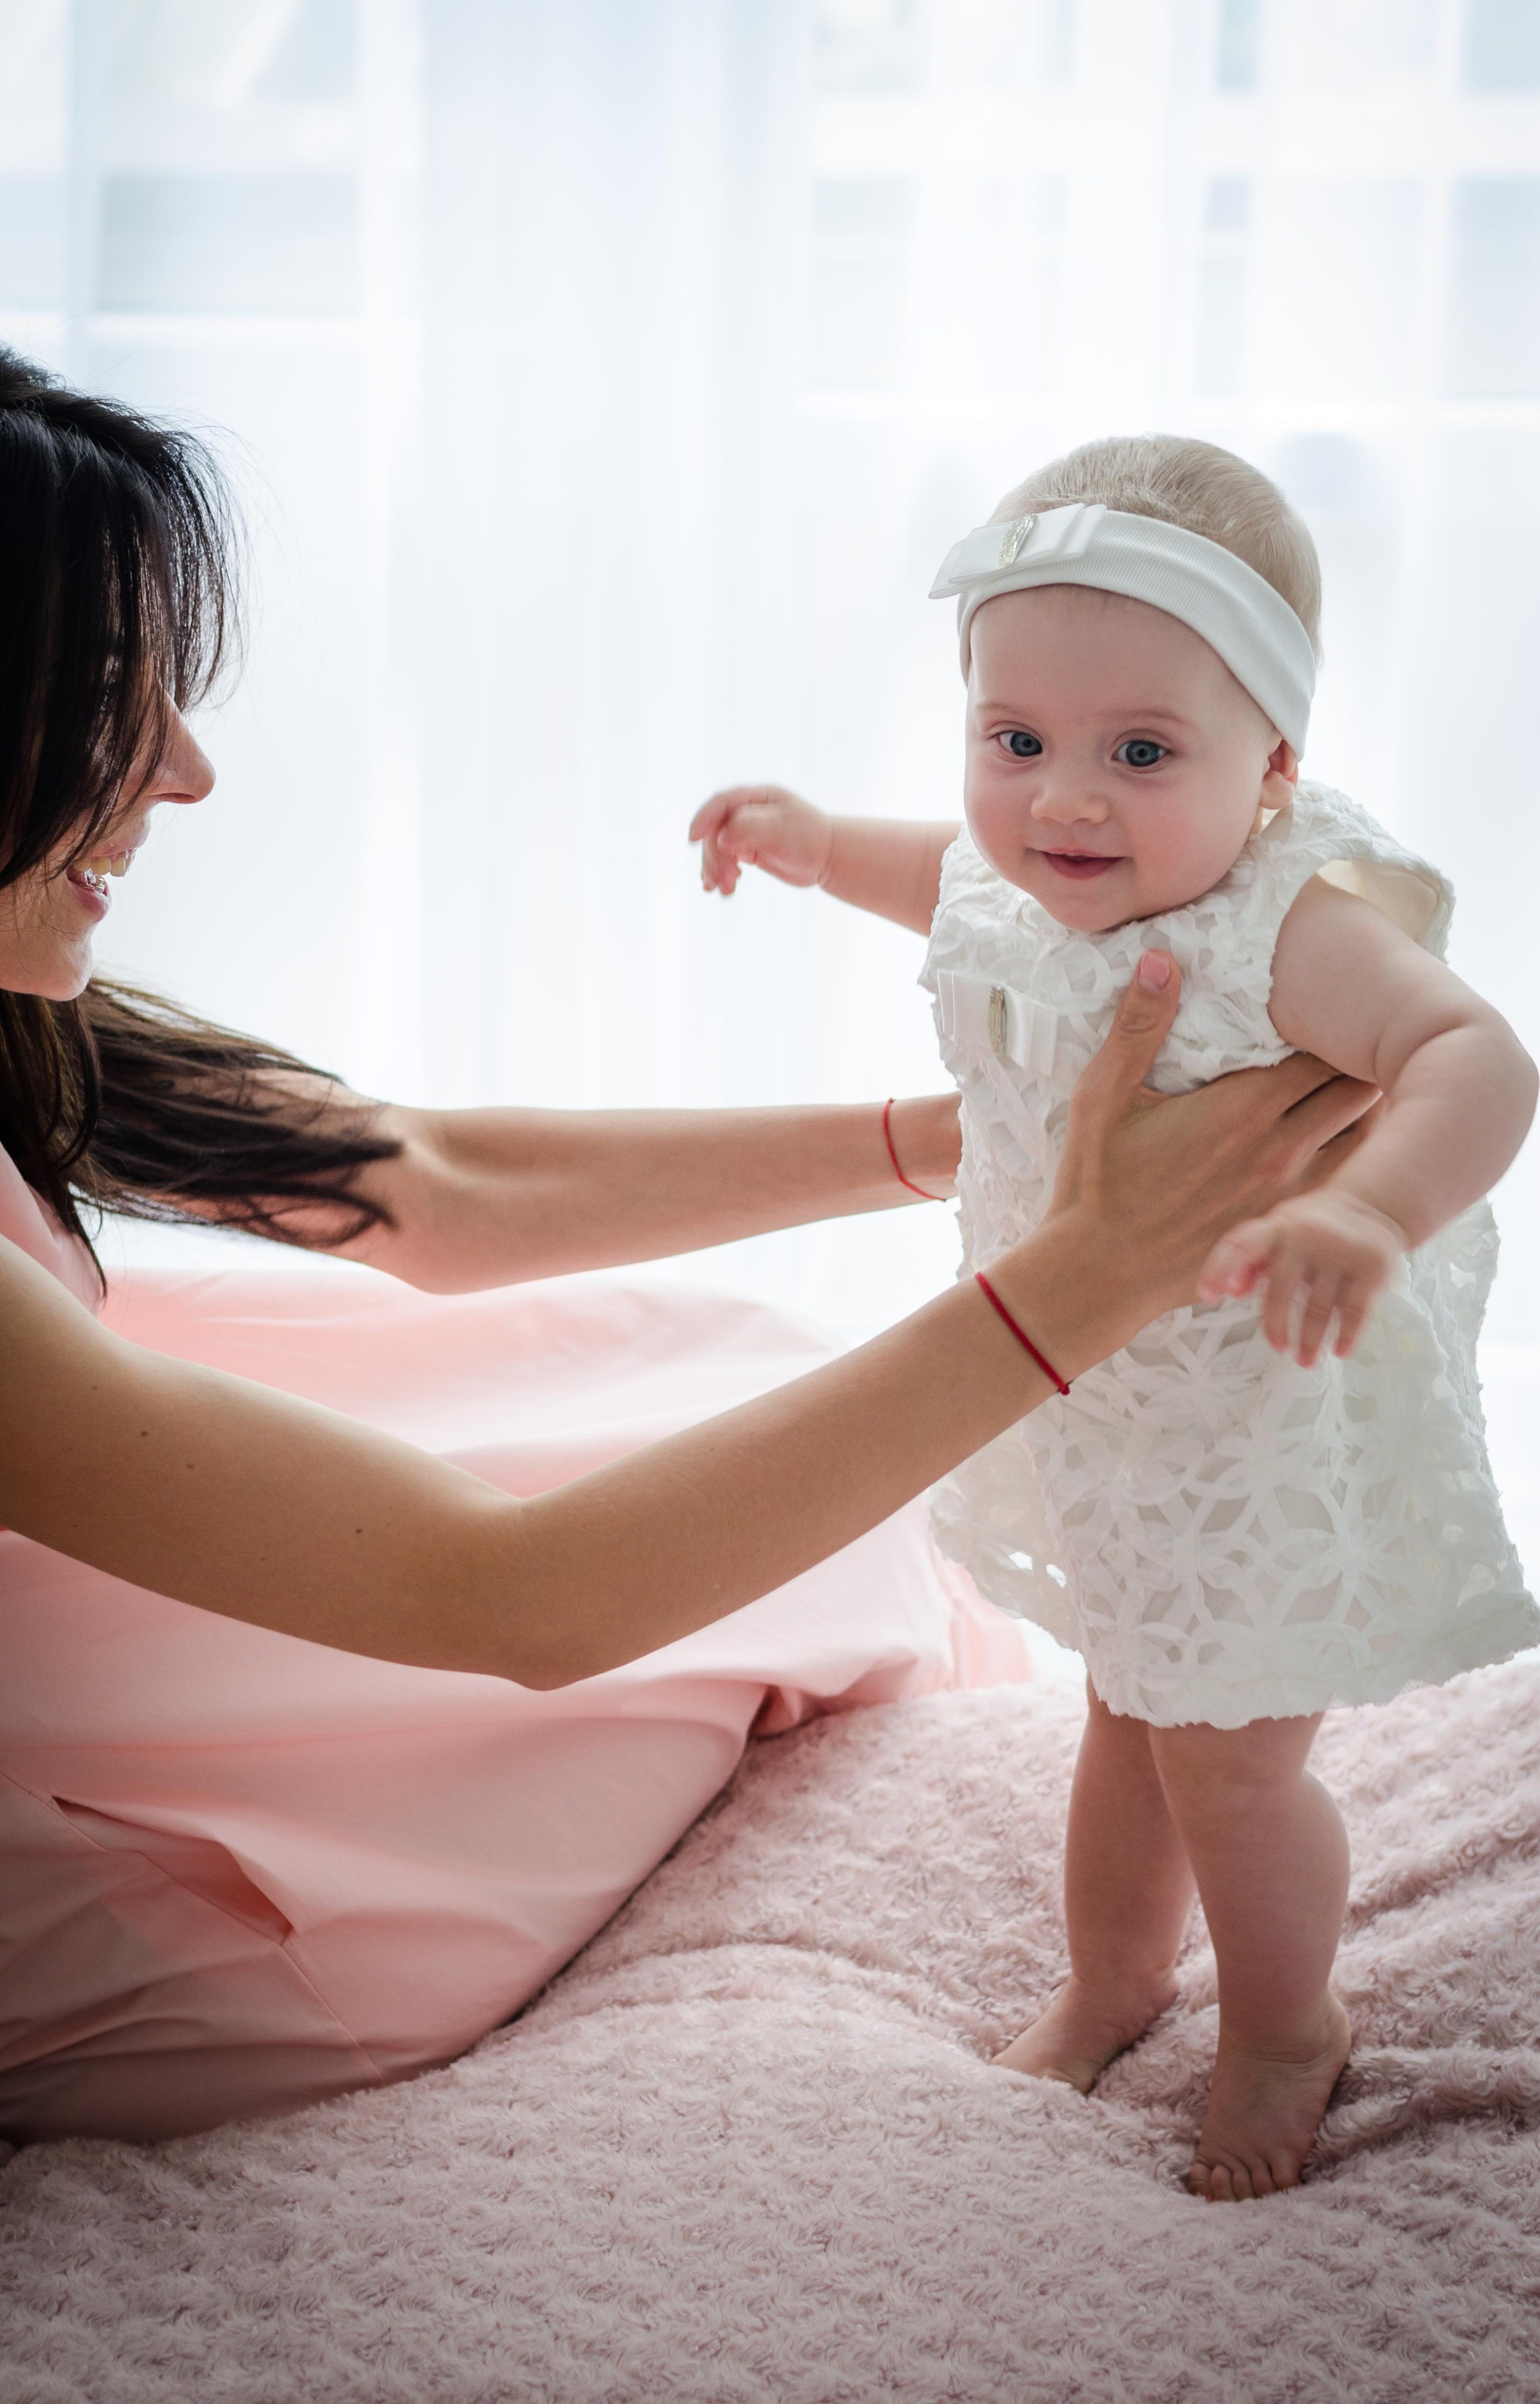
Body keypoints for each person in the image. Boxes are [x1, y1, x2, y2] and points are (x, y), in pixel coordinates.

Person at [0, 358, 1367, 2149]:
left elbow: (421, 1178)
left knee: (717, 1375)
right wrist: (1083, 1273)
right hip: (124, 1907)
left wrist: (966, 1142)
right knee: (738, 1539)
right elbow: (519, 1599)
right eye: (113, 698)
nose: (186, 767)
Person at [690, 433, 1540, 2202]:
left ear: (1275, 765)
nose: (1062, 799)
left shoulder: (1277, 927)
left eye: (1140, 752)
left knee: (1229, 1761)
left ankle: (1287, 2019)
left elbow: (1482, 1056)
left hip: (1261, 1420)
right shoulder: (1022, 873)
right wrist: (804, 837)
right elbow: (930, 866)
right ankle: (1114, 1976)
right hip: (1108, 1404)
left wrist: (1363, 1203)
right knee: (1126, 1711)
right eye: (1017, 740)